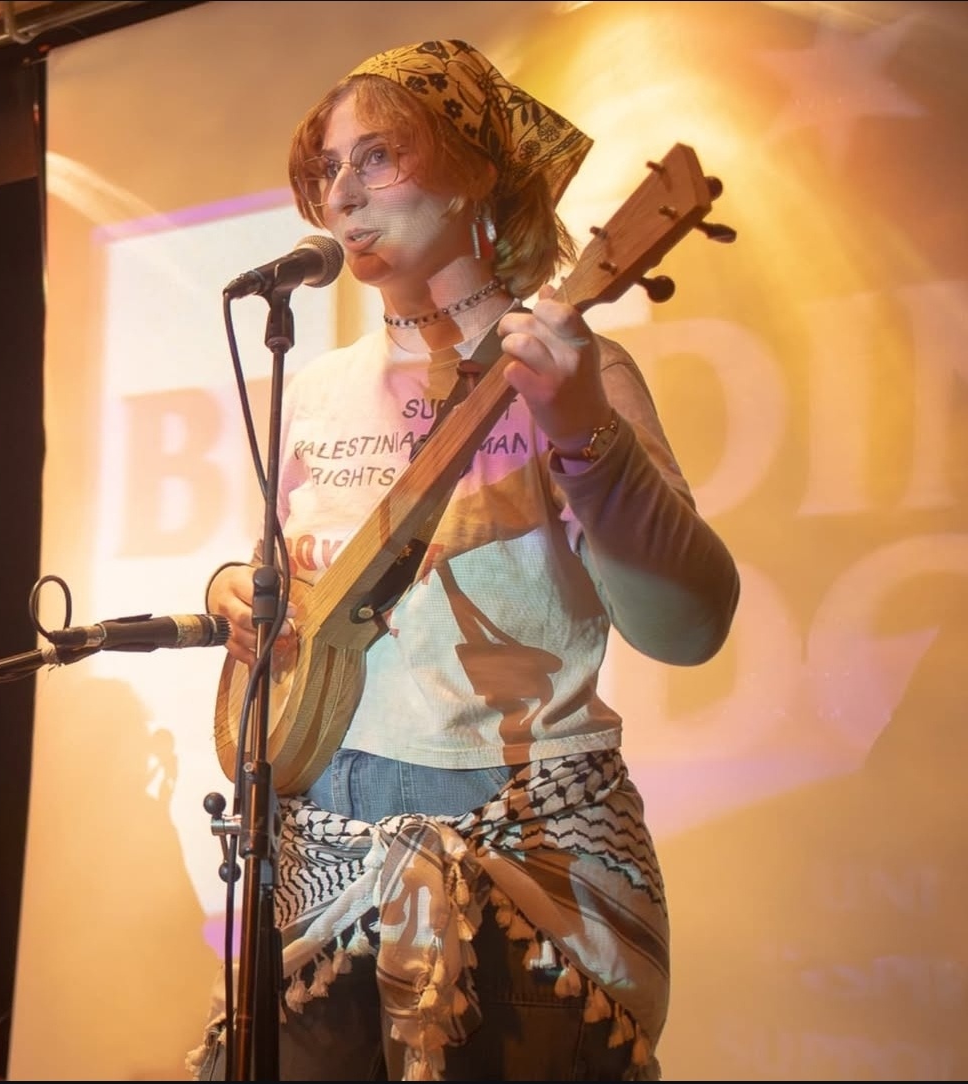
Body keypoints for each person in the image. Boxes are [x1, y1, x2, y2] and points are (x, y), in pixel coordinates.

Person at [187, 38, 739, 1083]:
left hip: (526, 847)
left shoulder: (581, 367)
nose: (339, 195)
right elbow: (279, 567)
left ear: (477, 169)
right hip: (318, 853)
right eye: (327, 169)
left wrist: (582, 431)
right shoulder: (312, 390)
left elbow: (689, 626)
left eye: (376, 157)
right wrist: (235, 594)